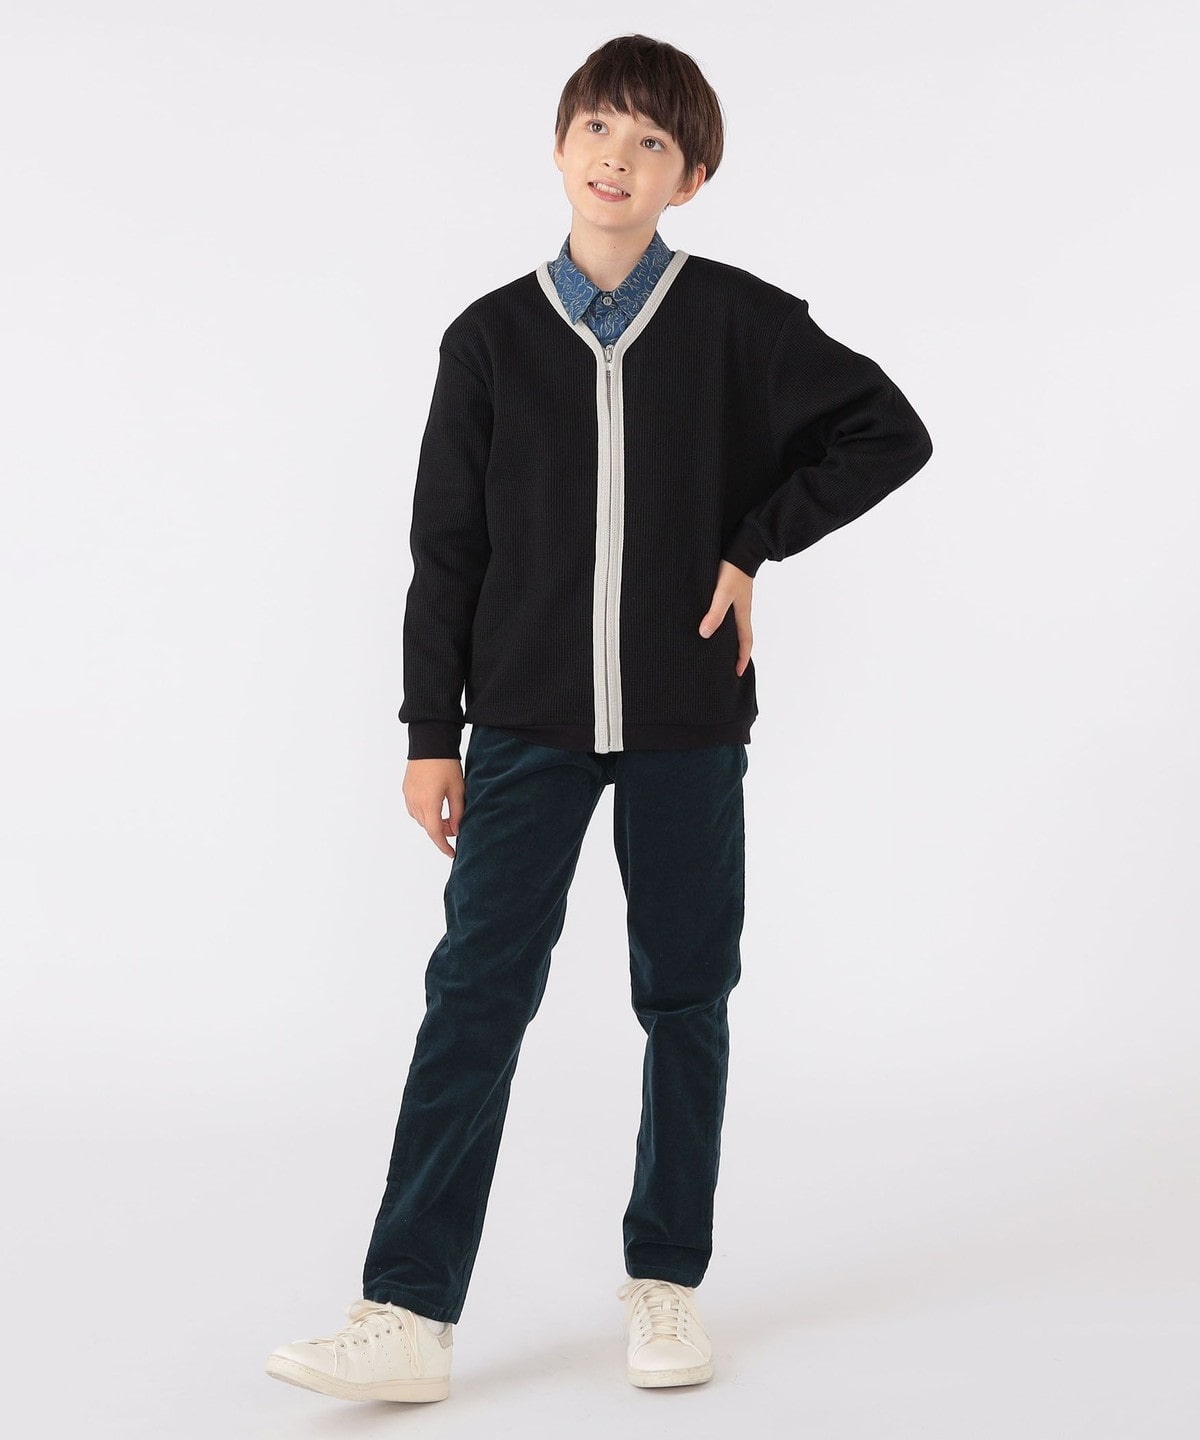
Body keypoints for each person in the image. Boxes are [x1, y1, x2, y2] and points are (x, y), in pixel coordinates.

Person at [266, 32, 933, 1404]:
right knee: (476, 994)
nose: (617, 159)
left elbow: (888, 430)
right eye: (598, 130)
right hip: (524, 721)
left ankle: (666, 1282)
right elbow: (447, 550)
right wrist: (431, 733)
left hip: (687, 716)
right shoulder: (492, 338)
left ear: (691, 177)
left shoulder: (739, 321)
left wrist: (752, 543)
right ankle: (407, 1312)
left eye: (651, 142)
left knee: (685, 992)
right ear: (560, 143)